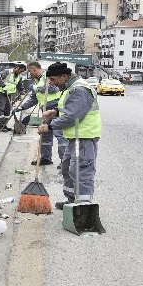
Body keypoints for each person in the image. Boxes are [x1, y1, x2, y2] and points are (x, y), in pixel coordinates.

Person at [37, 62, 102, 210]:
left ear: (64, 76)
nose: (52, 83)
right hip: (75, 137)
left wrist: (49, 126)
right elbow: (70, 108)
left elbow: (73, 116)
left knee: (81, 171)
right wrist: (55, 112)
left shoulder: (79, 89)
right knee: (67, 168)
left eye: (53, 80)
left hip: (84, 137)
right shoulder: (70, 87)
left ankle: (84, 207)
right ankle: (72, 200)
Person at [13, 62, 68, 167]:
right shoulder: (36, 81)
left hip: (55, 109)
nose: (29, 73)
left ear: (34, 69)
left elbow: (54, 89)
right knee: (45, 135)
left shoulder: (47, 77)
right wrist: (21, 107)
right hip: (45, 110)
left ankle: (64, 161)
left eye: (29, 71)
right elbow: (33, 99)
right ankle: (46, 158)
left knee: (59, 135)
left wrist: (36, 88)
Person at [0, 63, 26, 132]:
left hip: (8, 94)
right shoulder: (7, 72)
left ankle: (5, 125)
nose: (21, 73)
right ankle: (1, 126)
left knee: (7, 110)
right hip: (0, 93)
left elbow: (20, 86)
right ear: (17, 68)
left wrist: (22, 93)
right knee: (1, 109)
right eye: (21, 71)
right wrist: (3, 86)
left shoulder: (18, 77)